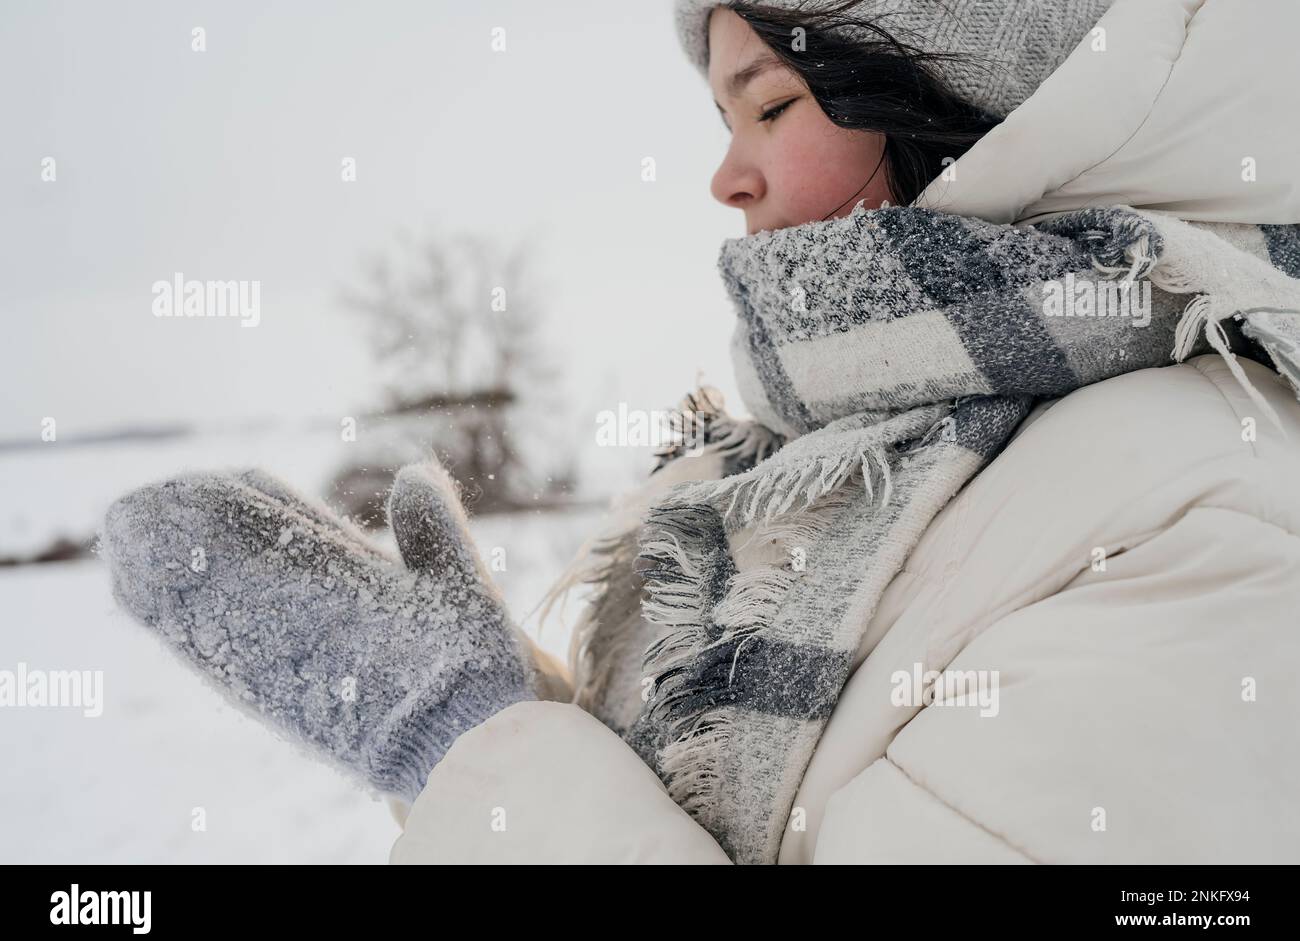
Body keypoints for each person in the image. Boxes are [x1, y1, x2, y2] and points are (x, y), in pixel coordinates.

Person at [102, 0, 1300, 864]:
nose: (725, 176)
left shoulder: (1210, 509)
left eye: (769, 103)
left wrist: (458, 744)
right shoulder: (816, 471)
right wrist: (526, 719)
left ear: (977, 100)